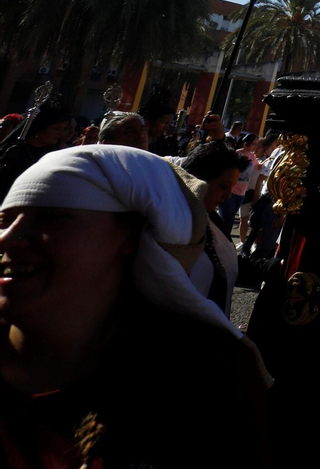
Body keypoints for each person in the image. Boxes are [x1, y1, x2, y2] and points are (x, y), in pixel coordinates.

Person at [0, 145, 270, 467]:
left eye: (52, 218)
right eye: (4, 220)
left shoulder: (201, 381)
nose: (6, 239)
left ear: (129, 237)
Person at [179, 141, 249, 316]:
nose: (228, 195)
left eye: (232, 187)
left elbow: (223, 259)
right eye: (223, 186)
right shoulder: (171, 224)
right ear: (197, 180)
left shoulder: (211, 217)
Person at [0, 106, 74, 201]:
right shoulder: (13, 150)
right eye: (57, 129)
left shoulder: (55, 154)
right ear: (40, 128)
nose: (60, 133)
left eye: (63, 129)